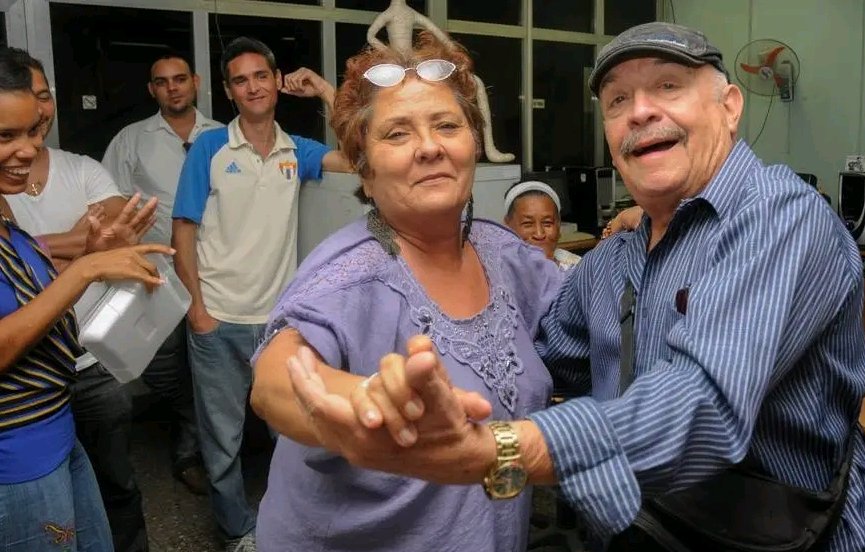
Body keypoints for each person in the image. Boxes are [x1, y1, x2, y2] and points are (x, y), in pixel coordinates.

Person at [286, 22, 865, 551]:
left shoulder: (778, 216)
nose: (641, 111)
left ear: (731, 106)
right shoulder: (615, 260)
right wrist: (394, 396)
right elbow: (541, 355)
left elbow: (700, 405)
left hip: (789, 538)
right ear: (361, 160)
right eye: (618, 100)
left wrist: (495, 449)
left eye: (669, 87)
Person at [248, 32, 563, 551]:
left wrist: (648, 224)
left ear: (472, 145)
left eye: (446, 125)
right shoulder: (349, 273)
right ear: (365, 172)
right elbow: (275, 381)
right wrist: (362, 404)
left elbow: (586, 313)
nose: (430, 146)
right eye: (397, 133)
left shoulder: (503, 253)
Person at [171, 36, 350, 552]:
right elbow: (183, 231)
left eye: (260, 76)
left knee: (291, 435)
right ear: (229, 91)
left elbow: (361, 153)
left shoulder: (300, 151)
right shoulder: (208, 147)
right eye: (241, 80)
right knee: (222, 442)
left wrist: (321, 89)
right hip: (218, 320)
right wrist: (197, 310)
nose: (253, 86)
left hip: (278, 323)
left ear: (276, 82)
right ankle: (236, 531)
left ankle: (290, 523)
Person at [0, 47, 172, 552]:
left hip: (56, 428)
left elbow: (26, 291)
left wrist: (90, 250)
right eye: (5, 136)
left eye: (32, 132)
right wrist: (88, 268)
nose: (28, 151)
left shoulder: (6, 209)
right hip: (17, 454)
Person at [102, 51, 221, 496]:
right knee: (162, 365)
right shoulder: (132, 140)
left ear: (195, 83)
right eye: (161, 82)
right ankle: (194, 424)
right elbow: (110, 204)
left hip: (218, 273)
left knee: (215, 364)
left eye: (179, 79)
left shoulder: (223, 135)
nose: (172, 88)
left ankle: (194, 453)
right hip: (161, 275)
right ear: (152, 90)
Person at [503, 179, 580, 271]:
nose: (539, 234)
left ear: (558, 225)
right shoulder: (495, 274)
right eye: (528, 224)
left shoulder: (579, 270)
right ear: (507, 227)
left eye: (547, 223)